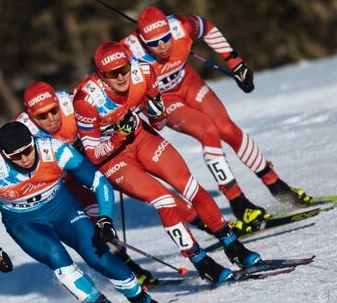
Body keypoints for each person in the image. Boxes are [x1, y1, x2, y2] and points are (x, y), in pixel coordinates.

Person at [0, 121, 180, 303]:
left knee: (96, 253)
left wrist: (104, 218)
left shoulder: (55, 150)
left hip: (62, 207)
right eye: (15, 156)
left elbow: (98, 182)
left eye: (27, 150)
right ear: (5, 155)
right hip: (23, 222)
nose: (24, 158)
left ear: (34, 143)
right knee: (58, 259)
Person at [73, 41, 264, 286]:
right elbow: (94, 155)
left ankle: (233, 246)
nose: (121, 77)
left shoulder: (143, 72)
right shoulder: (85, 100)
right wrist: (119, 135)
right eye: (112, 74)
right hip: (113, 158)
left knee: (191, 187)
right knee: (164, 200)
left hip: (141, 138)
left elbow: (159, 124)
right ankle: (201, 261)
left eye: (124, 69)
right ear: (100, 74)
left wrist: (157, 112)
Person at [120, 7, 310, 224]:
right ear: (143, 40)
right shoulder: (129, 49)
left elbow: (207, 28)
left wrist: (235, 62)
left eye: (165, 38)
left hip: (186, 81)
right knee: (207, 129)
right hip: (163, 99)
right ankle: (238, 203)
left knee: (227, 128)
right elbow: (101, 73)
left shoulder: (181, 26)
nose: (162, 45)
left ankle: (278, 187)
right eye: (153, 43)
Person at [14, 81, 156, 286]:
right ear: (30, 114)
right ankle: (131, 270)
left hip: (84, 170)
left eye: (53, 111)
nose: (51, 119)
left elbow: (101, 116)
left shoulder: (71, 103)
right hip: (61, 184)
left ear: (57, 103)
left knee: (133, 196)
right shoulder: (23, 130)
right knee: (94, 224)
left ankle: (201, 223)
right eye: (41, 116)